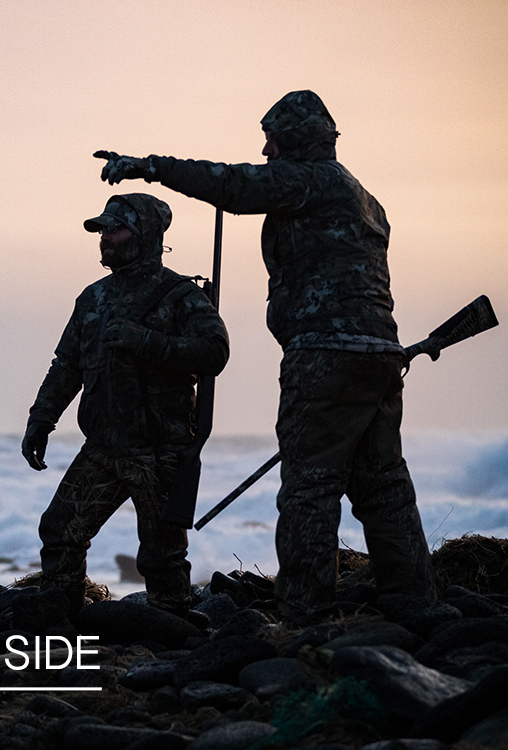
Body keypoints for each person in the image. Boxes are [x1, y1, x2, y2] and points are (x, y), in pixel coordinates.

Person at [94, 90, 438, 624]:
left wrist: (151, 168)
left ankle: (305, 613)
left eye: (272, 138)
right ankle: (415, 601)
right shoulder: (365, 197)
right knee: (382, 482)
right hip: (380, 354)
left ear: (296, 140)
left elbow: (233, 186)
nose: (265, 147)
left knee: (310, 485)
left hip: (322, 354)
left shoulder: (308, 179)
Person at [22, 192, 229, 618]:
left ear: (146, 235)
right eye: (101, 230)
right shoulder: (92, 299)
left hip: (160, 450)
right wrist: (41, 419)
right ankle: (63, 625)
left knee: (161, 556)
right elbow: (67, 365)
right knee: (60, 531)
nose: (104, 238)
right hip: (103, 448)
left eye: (115, 229)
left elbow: (215, 351)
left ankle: (174, 642)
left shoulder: (180, 296)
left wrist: (147, 343)